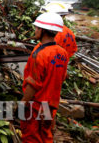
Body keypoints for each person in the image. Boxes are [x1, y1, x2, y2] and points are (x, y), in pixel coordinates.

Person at [20, 12, 69, 143]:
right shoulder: (62, 53)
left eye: (36, 28)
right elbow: (62, 77)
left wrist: (23, 102)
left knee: (31, 137)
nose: (35, 30)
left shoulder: (40, 53)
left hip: (36, 106)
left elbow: (34, 84)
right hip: (51, 105)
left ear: (42, 30)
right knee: (45, 135)